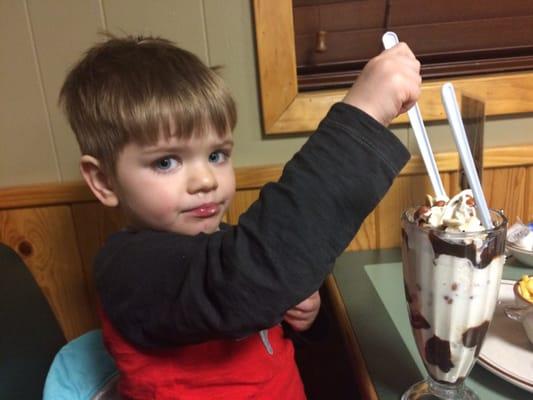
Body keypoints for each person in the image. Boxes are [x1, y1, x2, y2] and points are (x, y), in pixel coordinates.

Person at [59, 34, 420, 399]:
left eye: (216, 155)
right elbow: (243, 281)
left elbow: (260, 314)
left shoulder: (229, 246)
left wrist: (306, 316)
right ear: (104, 181)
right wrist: (362, 116)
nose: (205, 180)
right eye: (165, 162)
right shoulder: (128, 269)